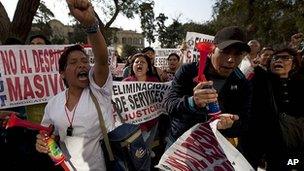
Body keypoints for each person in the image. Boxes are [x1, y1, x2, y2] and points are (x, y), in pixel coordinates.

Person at [35, 0, 115, 170]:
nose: (82, 65)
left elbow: (101, 60)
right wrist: (42, 142)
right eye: (73, 62)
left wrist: (91, 25)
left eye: (85, 61)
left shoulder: (99, 90)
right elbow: (47, 134)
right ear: (62, 73)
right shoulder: (53, 104)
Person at [164, 26, 252, 151]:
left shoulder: (243, 83)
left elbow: (245, 121)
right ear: (211, 51)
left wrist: (231, 124)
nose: (231, 60)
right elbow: (169, 104)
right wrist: (192, 102)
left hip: (215, 151)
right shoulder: (188, 71)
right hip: (181, 145)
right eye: (225, 52)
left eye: (238, 54)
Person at [246, 45, 304, 170]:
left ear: (293, 65)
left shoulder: (299, 85)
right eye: (275, 58)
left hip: (295, 147)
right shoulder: (260, 80)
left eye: (285, 58)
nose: (278, 60)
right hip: (267, 149)